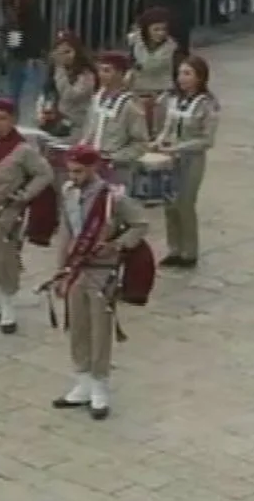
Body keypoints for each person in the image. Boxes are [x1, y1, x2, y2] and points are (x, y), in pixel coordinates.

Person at [49, 145, 148, 420]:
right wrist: (61, 271)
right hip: (76, 269)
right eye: (70, 171)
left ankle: (100, 384)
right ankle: (81, 379)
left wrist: (118, 245)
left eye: (79, 171)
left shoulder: (112, 197)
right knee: (77, 325)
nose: (74, 176)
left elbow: (140, 224)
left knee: (100, 329)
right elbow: (65, 233)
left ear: (93, 168)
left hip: (102, 270)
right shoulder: (68, 192)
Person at [0, 98, 54, 333]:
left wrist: (25, 195)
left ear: (13, 120)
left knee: (6, 256)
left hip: (7, 211)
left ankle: (8, 304)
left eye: (2, 118)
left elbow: (44, 174)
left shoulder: (23, 150)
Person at [155, 56, 219, 269]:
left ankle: (189, 251)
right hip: (170, 158)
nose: (182, 78)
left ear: (200, 77)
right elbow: (168, 126)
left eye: (188, 73)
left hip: (192, 159)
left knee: (185, 203)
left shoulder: (208, 104)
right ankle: (173, 248)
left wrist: (177, 147)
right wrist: (158, 141)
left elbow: (207, 140)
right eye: (180, 73)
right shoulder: (174, 99)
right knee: (169, 204)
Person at [79, 51, 149, 185]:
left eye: (107, 71)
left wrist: (115, 158)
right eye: (100, 70)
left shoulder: (130, 104)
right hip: (91, 165)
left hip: (116, 168)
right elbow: (88, 130)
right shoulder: (96, 99)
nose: (101, 75)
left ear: (120, 74)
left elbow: (140, 143)